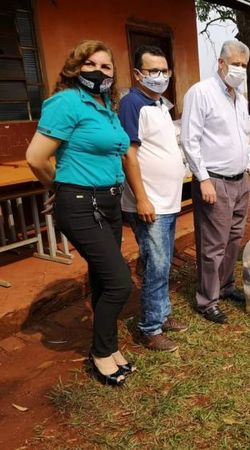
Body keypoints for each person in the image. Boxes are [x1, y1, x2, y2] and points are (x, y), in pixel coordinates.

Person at [25, 40, 132, 386]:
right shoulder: (67, 102)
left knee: (104, 278)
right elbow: (36, 158)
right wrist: (58, 188)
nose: (98, 72)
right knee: (120, 281)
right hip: (81, 203)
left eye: (106, 67)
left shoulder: (107, 107)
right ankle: (101, 353)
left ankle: (110, 346)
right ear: (76, 68)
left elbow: (118, 153)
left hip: (110, 201)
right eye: (90, 64)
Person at [119, 45, 188, 352]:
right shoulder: (132, 104)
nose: (160, 76)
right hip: (151, 203)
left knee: (161, 262)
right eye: (153, 71)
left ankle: (161, 314)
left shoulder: (159, 104)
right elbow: (128, 154)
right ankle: (150, 327)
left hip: (168, 200)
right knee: (157, 264)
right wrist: (142, 198)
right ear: (137, 74)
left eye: (164, 71)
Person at [181, 40, 250, 324]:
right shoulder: (202, 93)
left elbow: (243, 137)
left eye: (244, 65)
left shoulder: (240, 98)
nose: (240, 70)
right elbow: (190, 139)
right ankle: (207, 300)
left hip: (240, 180)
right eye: (235, 64)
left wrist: (245, 167)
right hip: (215, 182)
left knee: (234, 239)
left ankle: (226, 286)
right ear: (221, 64)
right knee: (213, 245)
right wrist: (203, 179)